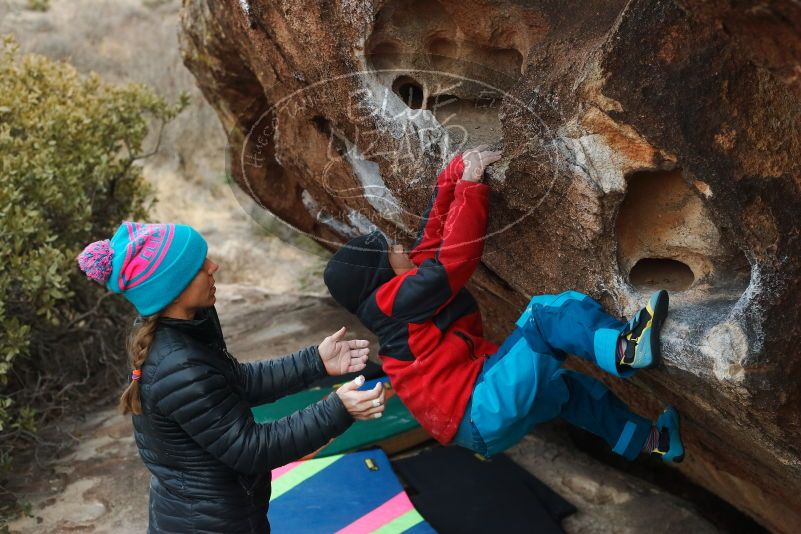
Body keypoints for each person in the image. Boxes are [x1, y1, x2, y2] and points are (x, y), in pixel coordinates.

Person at [322, 145, 684, 462]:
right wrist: (471, 188)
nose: (400, 247)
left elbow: (430, 239)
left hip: (477, 425)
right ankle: (627, 347)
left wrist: (452, 179)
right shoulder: (393, 301)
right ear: (381, 278)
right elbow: (453, 260)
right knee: (545, 317)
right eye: (391, 251)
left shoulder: (398, 301)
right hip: (480, 407)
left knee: (569, 391)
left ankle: (656, 441)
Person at [77, 221, 385, 533]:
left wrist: (315, 361)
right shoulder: (178, 365)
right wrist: (336, 409)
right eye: (199, 266)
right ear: (173, 288)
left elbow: (236, 381)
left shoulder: (185, 327)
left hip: (209, 511)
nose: (214, 266)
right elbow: (250, 449)